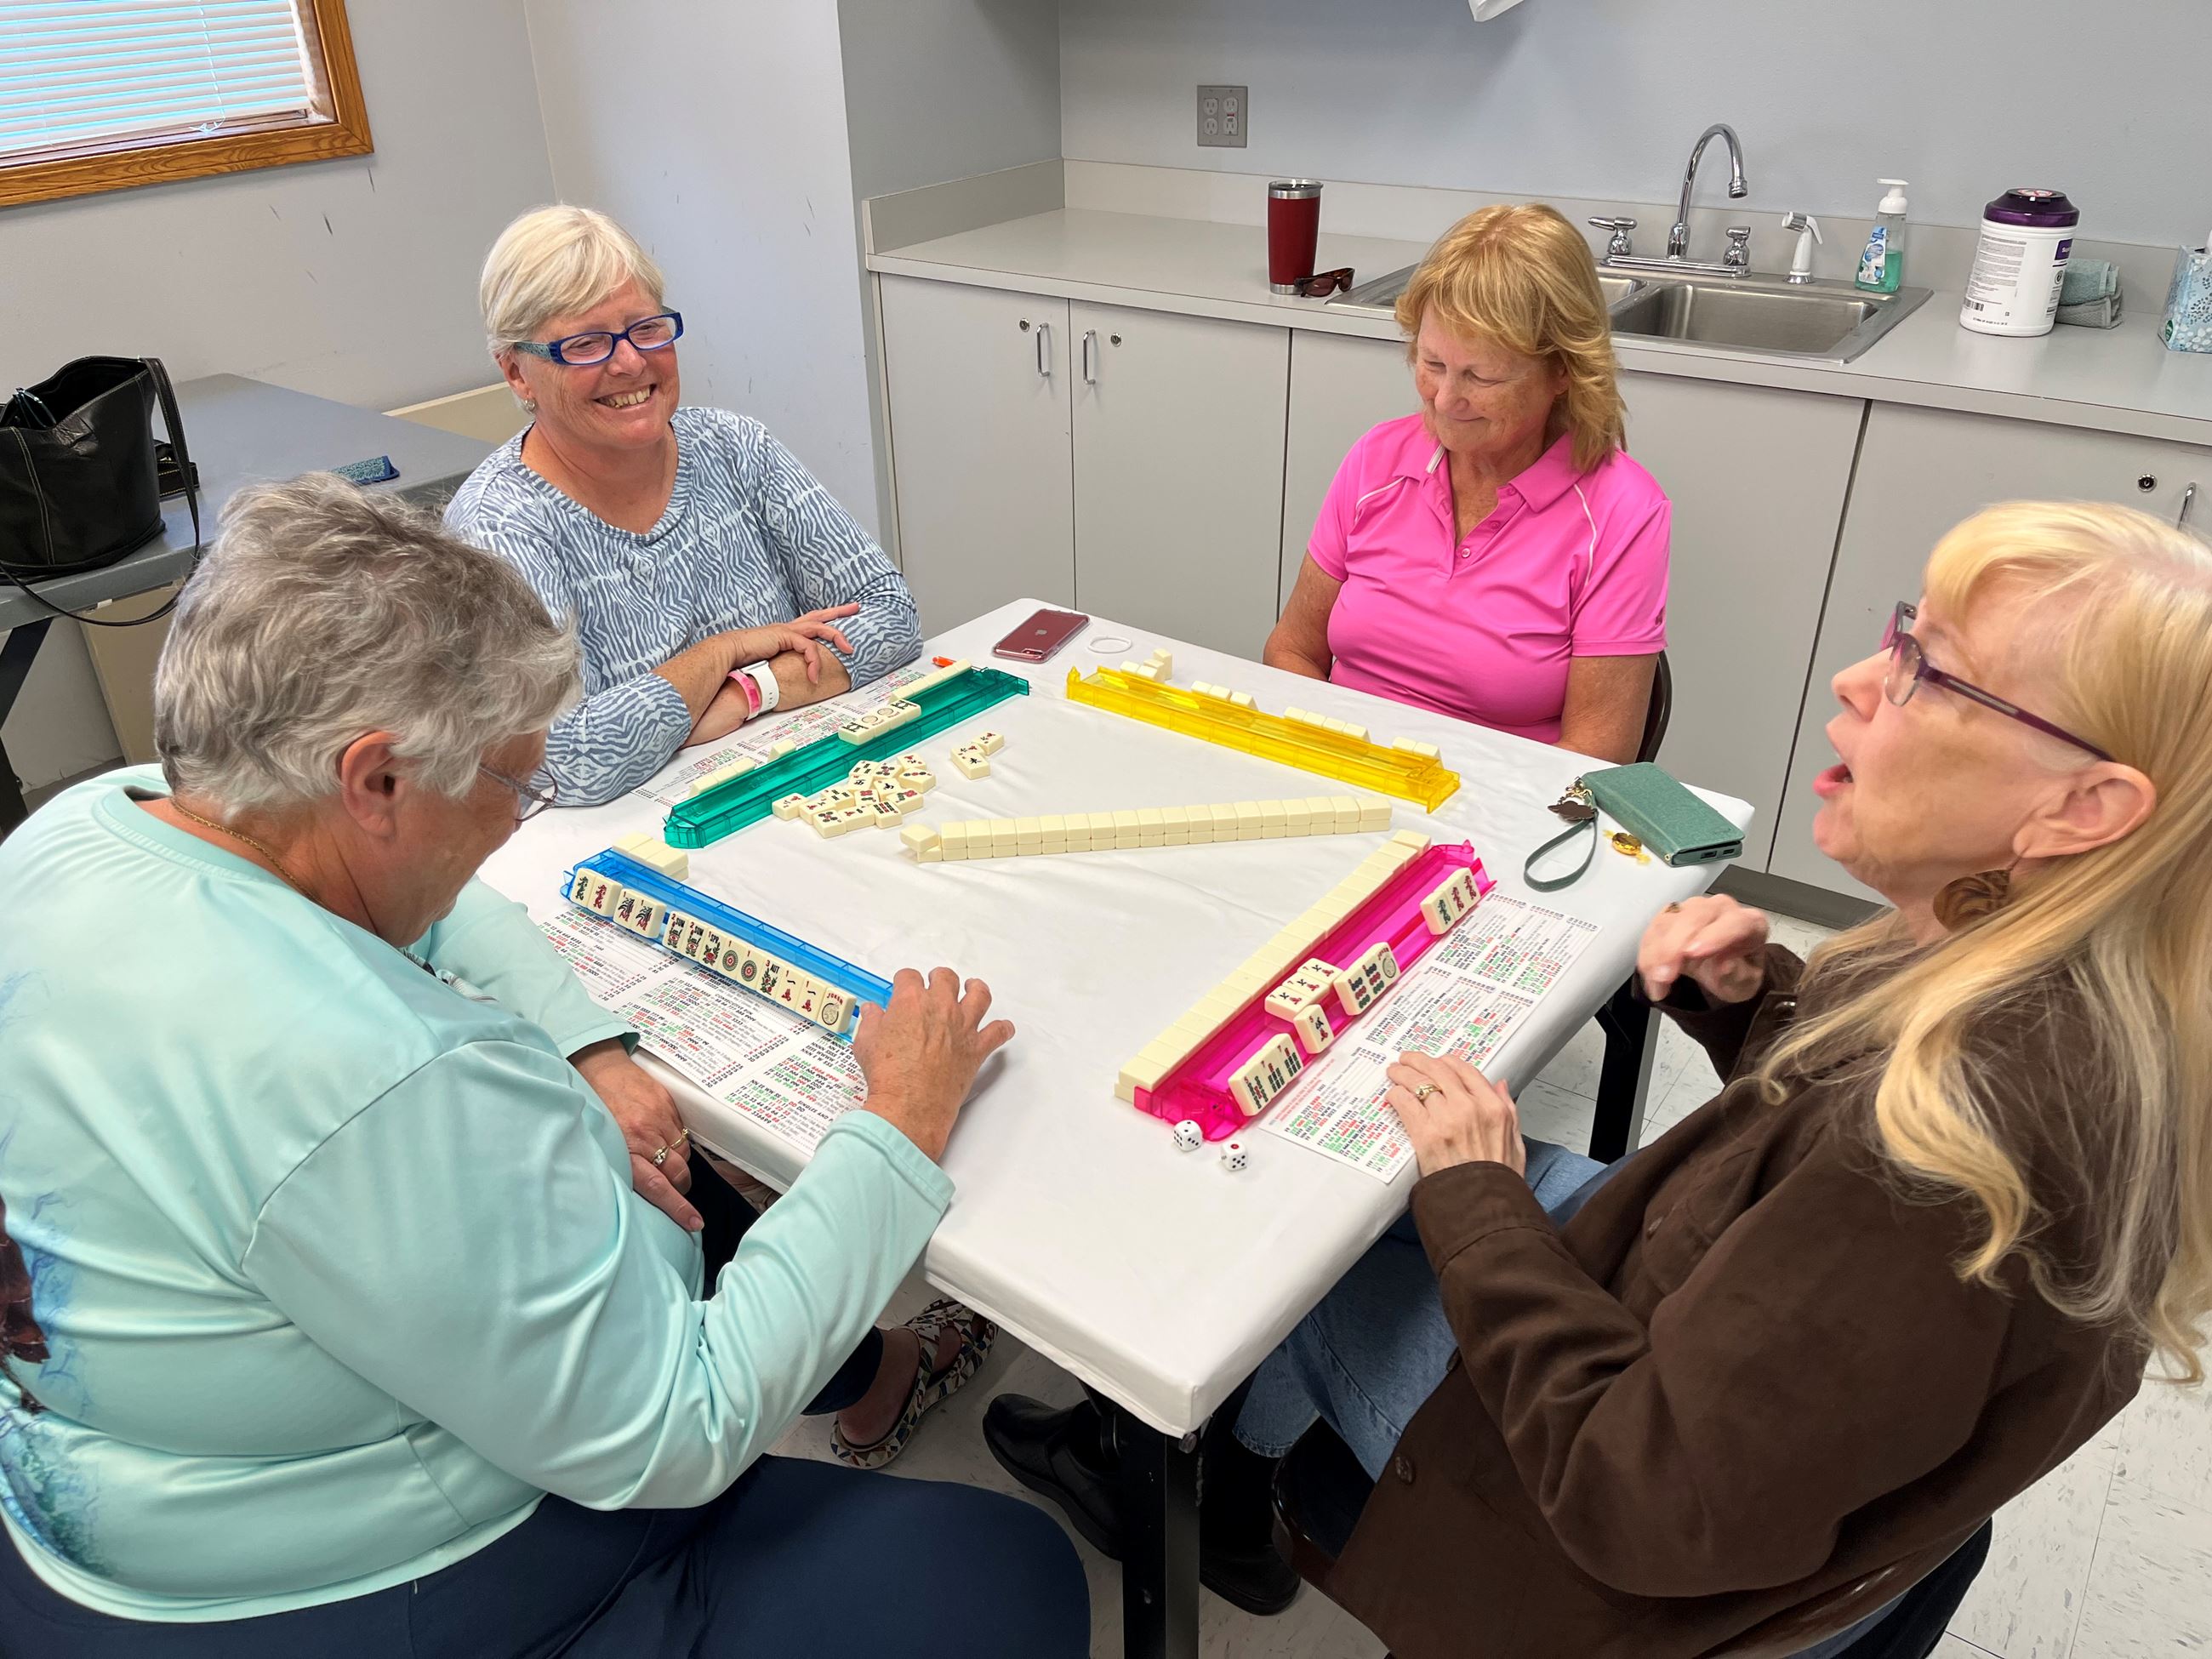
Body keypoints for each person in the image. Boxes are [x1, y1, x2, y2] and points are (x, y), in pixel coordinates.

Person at [995, 500, 2212, 1656]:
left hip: (1617, 1528)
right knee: (1352, 1170)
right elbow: (1831, 1138)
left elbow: (1642, 1496)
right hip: (1708, 1314)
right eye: (1903, 633)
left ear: (2085, 805)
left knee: (1273, 1240)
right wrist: (1758, 1005)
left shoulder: (1956, 1143)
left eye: (1926, 671)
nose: (1857, 680)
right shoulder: (2045, 959)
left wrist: (1478, 1194)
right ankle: (1240, 1485)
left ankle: (1177, 1484)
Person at [0, 477, 1087, 1657]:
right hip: (336, 1585)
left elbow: (425, 921)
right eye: (516, 782)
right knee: (1007, 1573)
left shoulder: (91, 822)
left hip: (99, 1493)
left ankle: (857, 1375)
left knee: (679, 1191)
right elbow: (681, 1424)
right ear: (374, 781)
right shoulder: (373, 1081)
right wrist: (895, 1123)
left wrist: (586, 1045)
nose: (519, 819)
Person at [446, 204, 922, 805]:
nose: (629, 362)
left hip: (792, 788)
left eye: (645, 329)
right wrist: (720, 653)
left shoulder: (735, 446)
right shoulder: (498, 528)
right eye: (587, 344)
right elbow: (560, 760)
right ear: (517, 372)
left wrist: (746, 694)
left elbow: (890, 615)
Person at [1263, 203, 1668, 762]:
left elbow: (1599, 753)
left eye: (1482, 376)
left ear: (1563, 370)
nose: (1445, 400)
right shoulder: (1377, 460)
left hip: (1501, 808)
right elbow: (1292, 649)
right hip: (1344, 773)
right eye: (1432, 364)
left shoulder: (1624, 511)